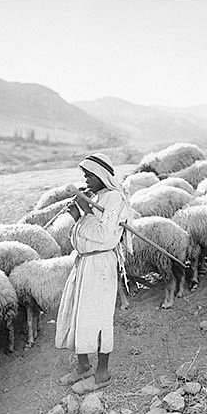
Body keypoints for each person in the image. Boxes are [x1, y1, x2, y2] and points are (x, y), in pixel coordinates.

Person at [55, 152, 134, 394]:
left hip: (100, 265)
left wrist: (84, 213)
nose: (86, 179)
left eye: (90, 174)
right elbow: (81, 235)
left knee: (98, 316)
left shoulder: (113, 200)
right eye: (84, 175)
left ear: (102, 175)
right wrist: (79, 215)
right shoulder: (96, 197)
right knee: (80, 313)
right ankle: (83, 367)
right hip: (85, 262)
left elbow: (103, 234)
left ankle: (102, 374)